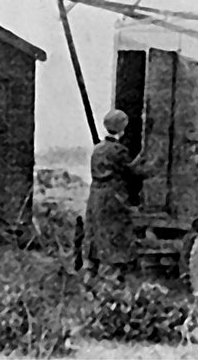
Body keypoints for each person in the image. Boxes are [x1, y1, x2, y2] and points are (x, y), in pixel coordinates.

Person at [83, 109, 151, 280]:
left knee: (95, 234)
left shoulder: (97, 149)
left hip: (96, 196)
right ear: (122, 129)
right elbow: (132, 172)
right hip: (113, 198)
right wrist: (149, 164)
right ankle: (112, 281)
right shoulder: (118, 151)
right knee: (115, 235)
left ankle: (89, 277)